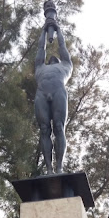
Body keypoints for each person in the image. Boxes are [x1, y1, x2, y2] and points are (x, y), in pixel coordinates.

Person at [34, 14, 73, 174]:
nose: (51, 58)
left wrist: (57, 30)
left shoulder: (65, 65)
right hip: (42, 93)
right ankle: (49, 168)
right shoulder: (40, 68)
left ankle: (59, 167)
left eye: (54, 58)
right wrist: (44, 31)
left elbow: (62, 46)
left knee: (59, 127)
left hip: (58, 92)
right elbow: (40, 49)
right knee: (44, 129)